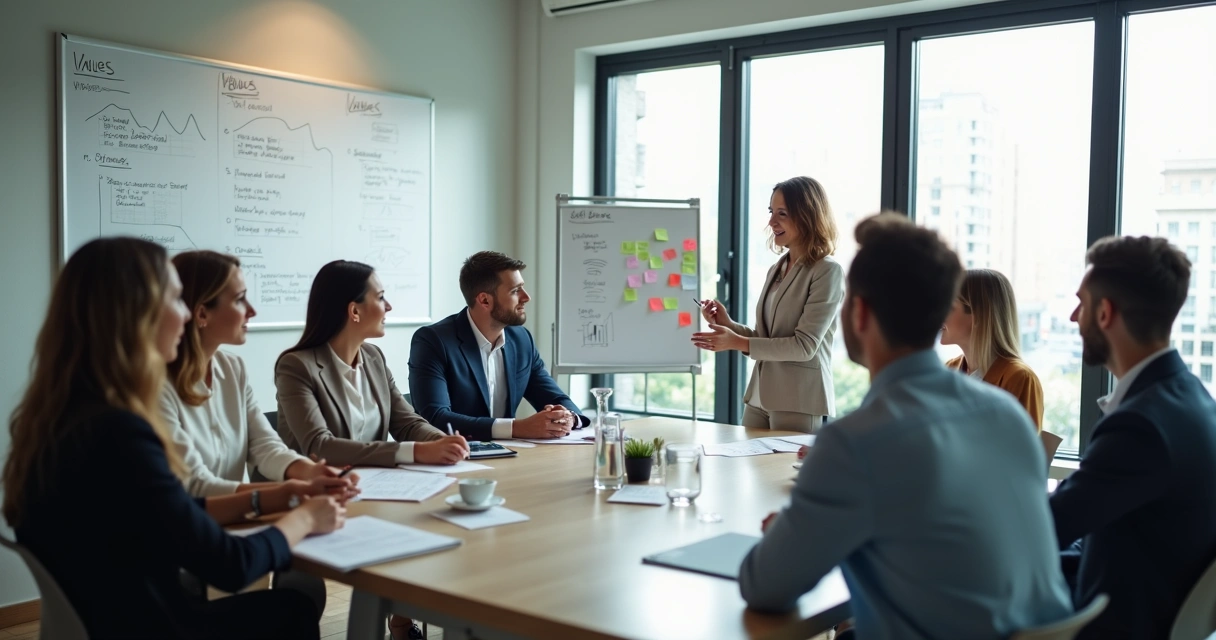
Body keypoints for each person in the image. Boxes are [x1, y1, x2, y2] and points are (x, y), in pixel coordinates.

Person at [738, 214, 1072, 639]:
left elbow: (763, 587)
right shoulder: (1005, 415)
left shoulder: (856, 442)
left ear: (859, 313)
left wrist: (788, 537)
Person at [2, 237, 345, 639]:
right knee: (293, 608)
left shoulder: (60, 419)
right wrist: (305, 517)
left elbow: (170, 509)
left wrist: (281, 495)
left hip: (108, 618)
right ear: (137, 314)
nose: (185, 314)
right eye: (175, 300)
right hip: (151, 625)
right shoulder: (120, 432)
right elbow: (231, 566)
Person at [162, 250, 360, 617]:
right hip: (189, 545)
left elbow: (265, 445)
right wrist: (286, 495)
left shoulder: (232, 368)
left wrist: (311, 472)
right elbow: (194, 485)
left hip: (235, 525)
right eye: (240, 299)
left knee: (304, 586)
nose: (252, 311)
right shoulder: (155, 385)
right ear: (201, 314)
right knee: (295, 598)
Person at [1050, 236, 1216, 639]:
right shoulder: (1192, 398)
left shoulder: (1140, 426)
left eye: (1081, 304)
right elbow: (1104, 535)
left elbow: (1047, 525)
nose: (1073, 317)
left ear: (1104, 313)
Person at [275, 260, 469, 468]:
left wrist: (441, 441)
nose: (388, 307)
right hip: (317, 484)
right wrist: (417, 451)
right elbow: (319, 446)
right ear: (354, 311)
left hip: (372, 481)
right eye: (380, 297)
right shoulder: (296, 366)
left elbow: (407, 423)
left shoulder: (373, 357)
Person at [693, 176, 844, 433]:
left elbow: (804, 346)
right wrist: (727, 324)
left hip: (798, 400)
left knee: (785, 463)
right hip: (758, 398)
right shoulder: (777, 269)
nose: (772, 221)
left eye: (782, 213)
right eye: (771, 212)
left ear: (807, 216)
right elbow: (766, 339)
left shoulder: (827, 271)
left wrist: (735, 342)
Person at [408, 251, 587, 441]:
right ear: (485, 300)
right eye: (515, 291)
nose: (526, 297)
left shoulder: (521, 339)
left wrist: (569, 418)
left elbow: (556, 398)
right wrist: (517, 428)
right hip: (454, 454)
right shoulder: (432, 341)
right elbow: (436, 418)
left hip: (511, 453)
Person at [940, 268, 1045, 429]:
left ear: (978, 315)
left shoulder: (1019, 379)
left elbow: (1020, 444)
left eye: (949, 307)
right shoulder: (949, 369)